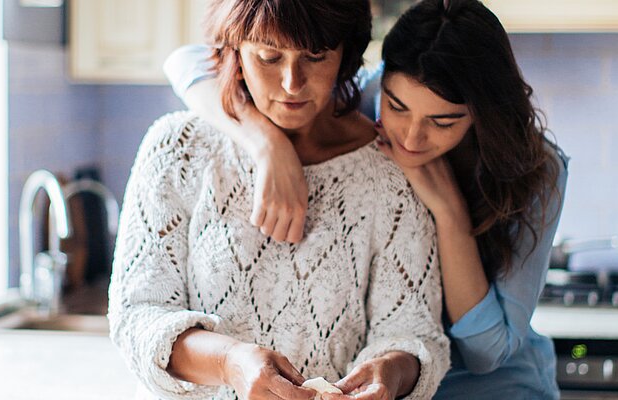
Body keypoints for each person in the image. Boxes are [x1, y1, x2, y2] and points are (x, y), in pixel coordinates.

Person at [163, 0, 568, 399]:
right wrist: (265, 143)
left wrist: (449, 212)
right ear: (381, 82)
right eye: (397, 107)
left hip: (493, 388)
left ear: (482, 113)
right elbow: (188, 62)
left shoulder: (536, 168)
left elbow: (488, 353)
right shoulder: (363, 99)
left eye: (443, 122)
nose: (410, 138)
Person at [109, 0, 451, 399]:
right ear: (235, 51)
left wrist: (390, 372)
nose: (292, 82)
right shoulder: (177, 150)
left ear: (346, 54)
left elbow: (416, 332)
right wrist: (229, 363)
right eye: (269, 57)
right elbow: (137, 317)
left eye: (316, 57)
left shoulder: (391, 170)